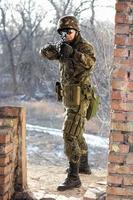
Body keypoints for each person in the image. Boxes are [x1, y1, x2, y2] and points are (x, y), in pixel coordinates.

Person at [39, 15, 96, 191]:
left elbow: (91, 63)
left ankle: (74, 177)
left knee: (69, 134)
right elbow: (43, 53)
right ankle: (84, 165)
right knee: (76, 132)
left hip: (80, 98)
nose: (66, 35)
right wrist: (53, 48)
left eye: (69, 32)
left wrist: (74, 54)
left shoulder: (83, 47)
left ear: (76, 31)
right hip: (69, 98)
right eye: (63, 32)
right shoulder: (63, 47)